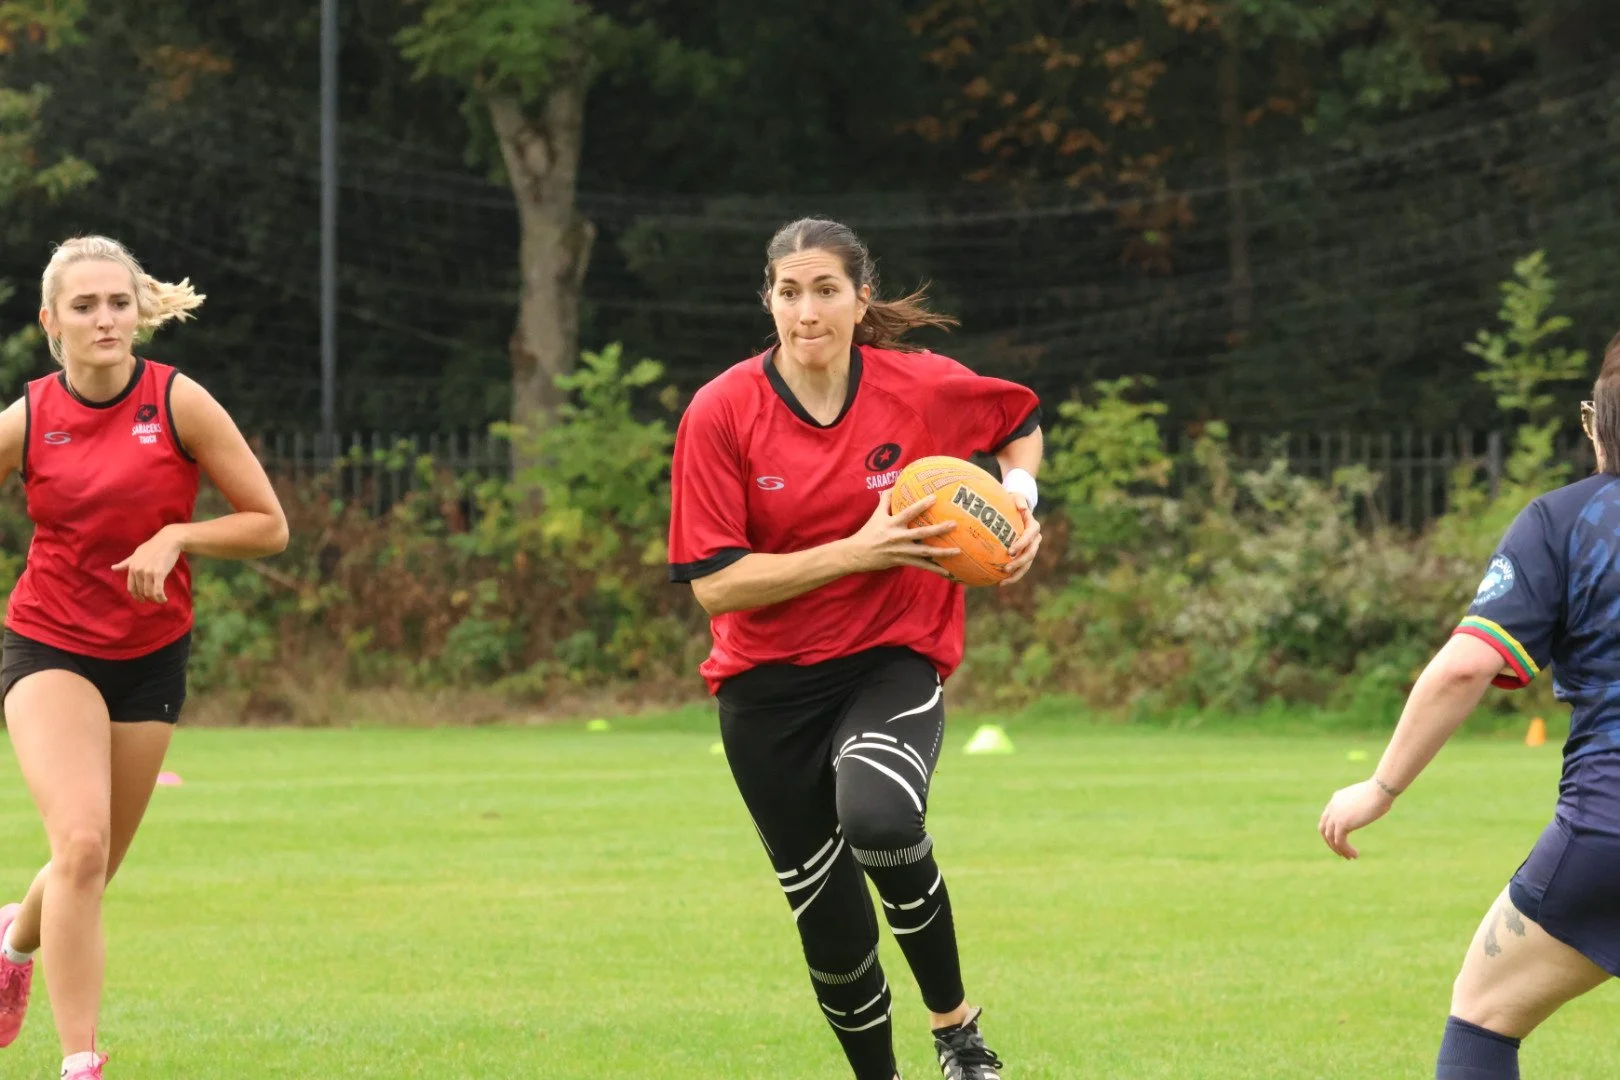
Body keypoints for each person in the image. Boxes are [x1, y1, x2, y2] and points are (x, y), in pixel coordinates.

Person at [667, 217, 1043, 1080]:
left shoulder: (918, 388)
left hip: (889, 658)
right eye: (789, 291)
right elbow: (714, 585)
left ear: (860, 298)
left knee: (877, 812)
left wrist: (1020, 505)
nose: (807, 311)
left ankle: (958, 1033)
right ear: (768, 299)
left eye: (826, 290)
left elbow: (1020, 420)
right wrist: (858, 551)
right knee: (830, 924)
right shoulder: (722, 411)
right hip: (764, 694)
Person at [0, 236, 289, 1080]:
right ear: (52, 323)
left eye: (117, 303)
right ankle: (81, 1060)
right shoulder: (27, 418)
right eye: (84, 306)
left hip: (151, 655)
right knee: (80, 846)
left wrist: (179, 533)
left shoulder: (180, 402)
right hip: (48, 642)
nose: (104, 319)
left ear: (140, 311)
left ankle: (14, 941)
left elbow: (268, 525)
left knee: (92, 865)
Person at [1318, 332, 1620, 1080]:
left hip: (1610, 829)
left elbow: (1465, 669)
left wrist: (1379, 788)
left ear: (1597, 423)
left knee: (1484, 1013)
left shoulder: (1564, 522)